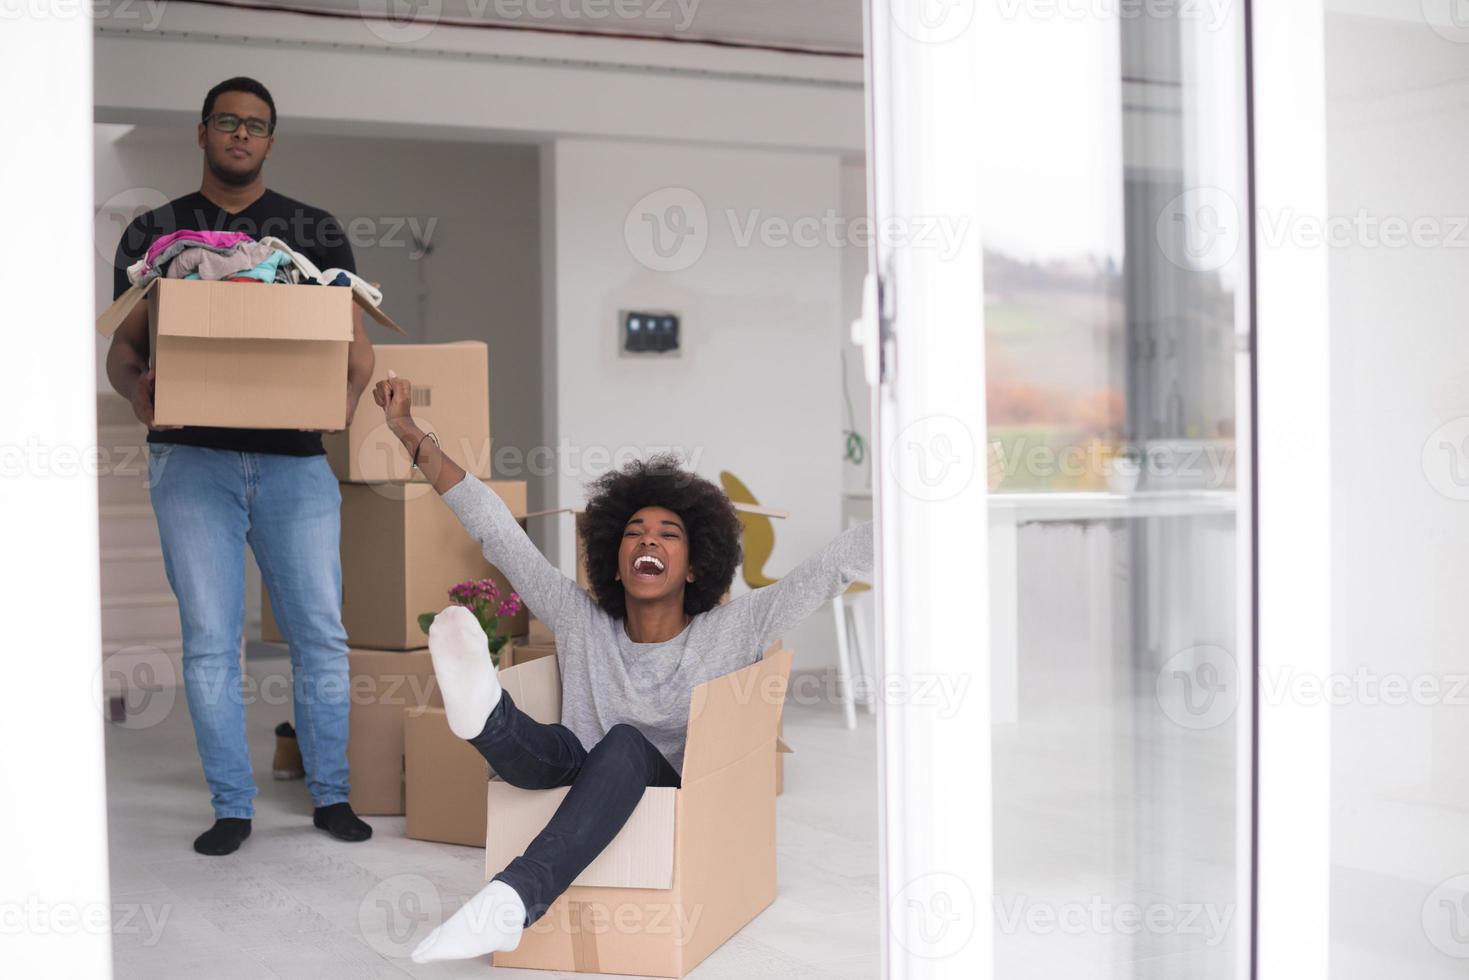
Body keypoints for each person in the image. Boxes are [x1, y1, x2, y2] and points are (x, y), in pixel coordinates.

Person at [369, 371, 874, 963]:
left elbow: (832, 567)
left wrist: (929, 508)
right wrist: (408, 432)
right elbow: (498, 532)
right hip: (572, 769)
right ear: (615, 562)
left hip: (660, 784)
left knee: (626, 744)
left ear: (693, 565)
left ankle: (512, 897)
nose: (647, 543)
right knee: (559, 746)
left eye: (667, 535)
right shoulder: (583, 620)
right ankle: (482, 712)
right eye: (633, 534)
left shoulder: (737, 628)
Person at [104, 77, 376, 856]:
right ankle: (232, 805)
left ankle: (331, 795)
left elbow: (356, 349)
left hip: (295, 465)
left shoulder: (312, 232)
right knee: (210, 639)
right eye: (227, 122)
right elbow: (123, 352)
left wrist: (336, 408)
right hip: (191, 460)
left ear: (268, 140)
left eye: (255, 126)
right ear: (201, 133)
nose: (240, 135)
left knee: (320, 633)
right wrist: (139, 395)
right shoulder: (154, 234)